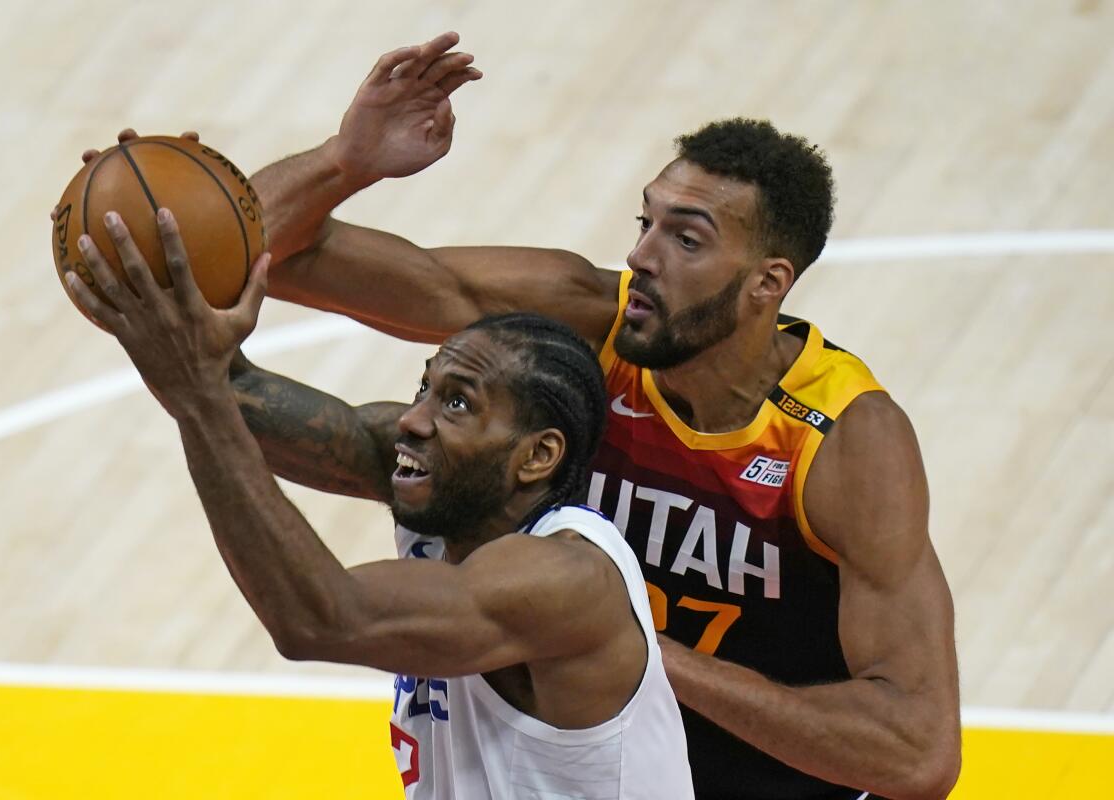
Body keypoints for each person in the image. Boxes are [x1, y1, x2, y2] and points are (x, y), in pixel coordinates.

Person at [235, 32, 963, 800]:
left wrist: (634, 648)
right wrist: (342, 161)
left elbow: (917, 756)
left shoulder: (838, 441)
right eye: (645, 222)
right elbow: (259, 254)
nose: (644, 256)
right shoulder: (591, 325)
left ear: (766, 283)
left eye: (686, 239)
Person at [61, 208, 695, 800]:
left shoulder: (563, 578)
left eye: (457, 404)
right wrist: (143, 250)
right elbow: (223, 389)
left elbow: (323, 621)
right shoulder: (445, 486)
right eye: (426, 387)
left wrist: (198, 392)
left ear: (536, 457)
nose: (414, 421)